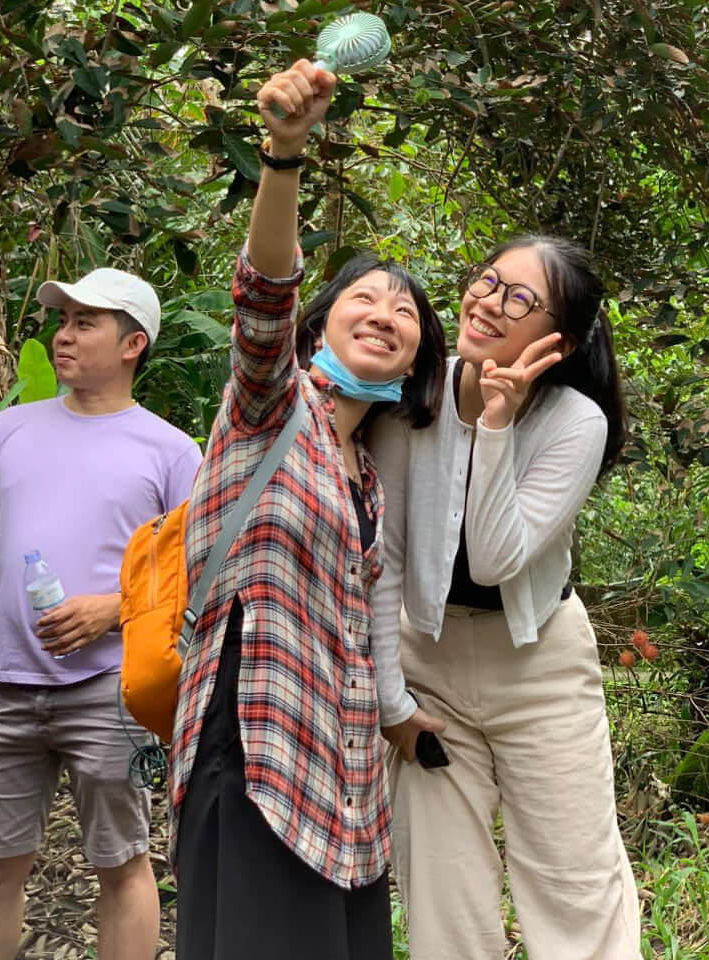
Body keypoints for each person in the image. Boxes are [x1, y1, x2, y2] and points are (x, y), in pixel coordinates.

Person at [168, 60, 446, 960]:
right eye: (363, 297)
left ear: (414, 353)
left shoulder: (368, 472)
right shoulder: (271, 407)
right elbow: (262, 298)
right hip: (255, 744)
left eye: (404, 309)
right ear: (319, 323)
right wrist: (284, 154)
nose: (384, 311)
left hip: (345, 783)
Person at [370, 237, 643, 959]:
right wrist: (391, 703)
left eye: (519, 298)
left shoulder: (574, 422)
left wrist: (495, 422)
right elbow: (386, 564)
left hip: (540, 669)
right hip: (427, 664)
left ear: (562, 337)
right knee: (442, 894)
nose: (489, 303)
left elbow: (495, 559)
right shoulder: (410, 398)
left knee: (573, 883)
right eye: (488, 281)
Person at [0, 266, 202, 960]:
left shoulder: (172, 451)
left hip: (112, 691)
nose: (63, 337)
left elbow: (196, 572)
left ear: (132, 344)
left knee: (122, 865)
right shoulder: (12, 429)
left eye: (84, 322)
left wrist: (111, 609)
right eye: (62, 322)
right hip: (4, 687)